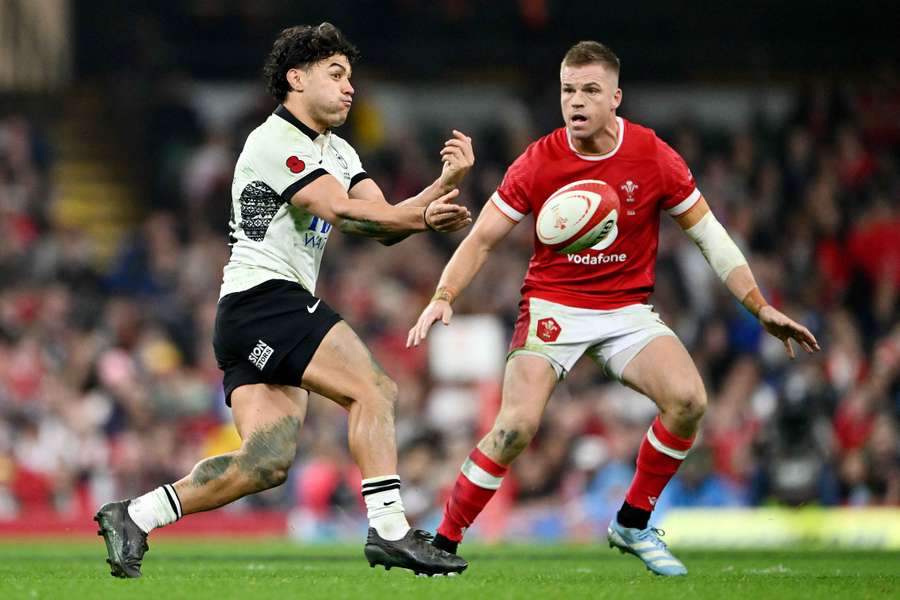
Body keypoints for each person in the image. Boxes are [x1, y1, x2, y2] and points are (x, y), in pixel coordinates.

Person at [407, 40, 819, 576]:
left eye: (589, 91)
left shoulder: (652, 155)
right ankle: (443, 540)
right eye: (567, 90)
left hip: (626, 309)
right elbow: (482, 238)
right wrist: (443, 296)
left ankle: (632, 521)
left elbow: (710, 236)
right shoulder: (538, 160)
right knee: (515, 428)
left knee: (689, 400)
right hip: (553, 304)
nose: (575, 102)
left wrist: (759, 305)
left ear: (616, 97)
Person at [95, 22, 473, 578]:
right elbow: (344, 212)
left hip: (250, 315)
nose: (350, 88)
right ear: (296, 78)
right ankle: (390, 529)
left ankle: (136, 513)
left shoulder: (339, 151)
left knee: (264, 463)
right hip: (265, 300)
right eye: (336, 74)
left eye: (352, 77)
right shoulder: (273, 140)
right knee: (375, 390)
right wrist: (424, 212)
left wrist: (444, 183)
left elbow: (386, 222)